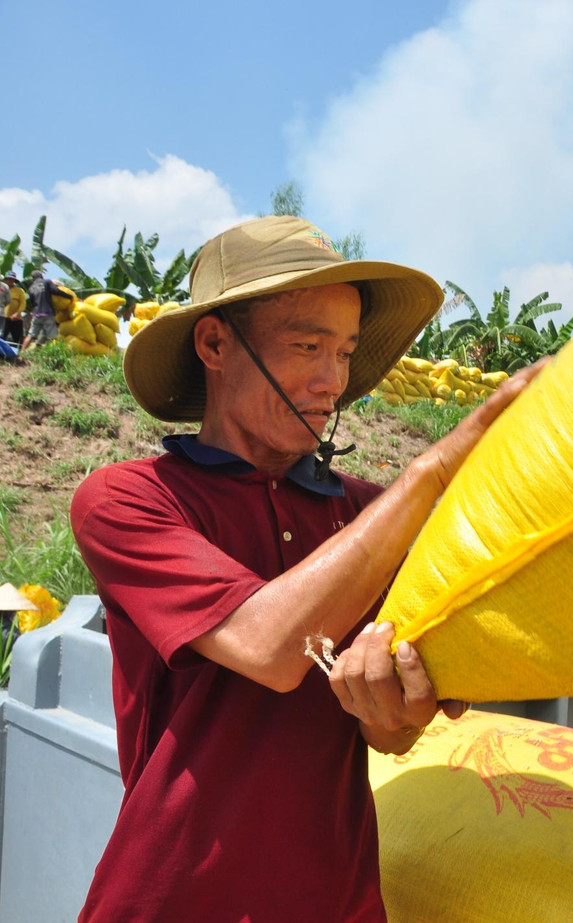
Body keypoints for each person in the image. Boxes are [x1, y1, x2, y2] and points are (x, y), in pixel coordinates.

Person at [69, 215, 543, 920]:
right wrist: (437, 469)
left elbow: (391, 728)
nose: (333, 381)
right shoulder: (130, 498)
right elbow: (268, 646)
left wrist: (394, 709)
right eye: (306, 345)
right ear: (215, 342)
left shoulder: (366, 514)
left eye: (347, 351)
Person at [21, 269, 63, 350]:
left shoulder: (31, 288)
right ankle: (54, 353)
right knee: (53, 337)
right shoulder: (47, 283)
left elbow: (33, 303)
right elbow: (56, 291)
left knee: (31, 335)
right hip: (48, 314)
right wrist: (70, 297)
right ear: (41, 276)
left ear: (33, 278)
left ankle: (21, 352)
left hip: (37, 314)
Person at [3, 272, 27, 345]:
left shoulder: (20, 291)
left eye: (12, 279)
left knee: (18, 339)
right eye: (8, 279)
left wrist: (17, 313)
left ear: (14, 280)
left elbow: (23, 304)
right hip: (3, 318)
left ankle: (19, 355)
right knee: (2, 337)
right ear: (6, 279)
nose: (10, 280)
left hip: (16, 319)